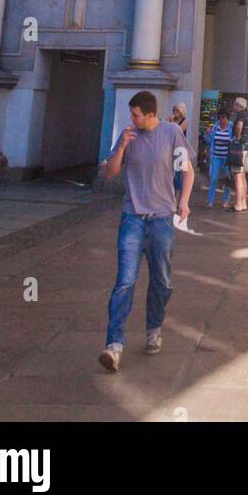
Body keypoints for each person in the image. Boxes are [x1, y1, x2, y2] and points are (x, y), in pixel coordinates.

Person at [99, 90, 193, 373]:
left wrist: (184, 201)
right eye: (131, 114)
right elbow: (111, 173)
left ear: (150, 114)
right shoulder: (129, 134)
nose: (132, 118)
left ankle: (154, 329)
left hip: (162, 219)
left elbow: (186, 169)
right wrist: (122, 149)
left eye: (136, 114)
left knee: (162, 281)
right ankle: (114, 346)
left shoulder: (171, 132)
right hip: (132, 217)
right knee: (125, 281)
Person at [228, 97, 248, 212]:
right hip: (246, 147)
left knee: (237, 175)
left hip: (239, 149)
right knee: (243, 176)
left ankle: (238, 203)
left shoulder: (240, 115)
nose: (234, 106)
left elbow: (239, 126)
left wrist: (238, 138)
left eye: (234, 104)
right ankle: (243, 203)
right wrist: (247, 136)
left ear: (238, 105)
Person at [206, 111, 233, 209]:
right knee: (214, 178)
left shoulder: (231, 128)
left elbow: (235, 139)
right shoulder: (215, 127)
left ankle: (226, 200)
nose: (221, 119)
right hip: (216, 156)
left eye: (224, 117)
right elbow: (209, 141)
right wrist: (207, 134)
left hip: (226, 158)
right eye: (220, 117)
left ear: (227, 118)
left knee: (227, 179)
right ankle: (210, 200)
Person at [169, 102, 189, 196]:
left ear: (181, 111)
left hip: (180, 150)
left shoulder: (185, 121)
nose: (175, 112)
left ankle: (177, 199)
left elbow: (177, 132)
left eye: (177, 110)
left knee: (178, 174)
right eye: (174, 110)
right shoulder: (170, 120)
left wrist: (171, 122)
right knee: (171, 174)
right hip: (170, 149)